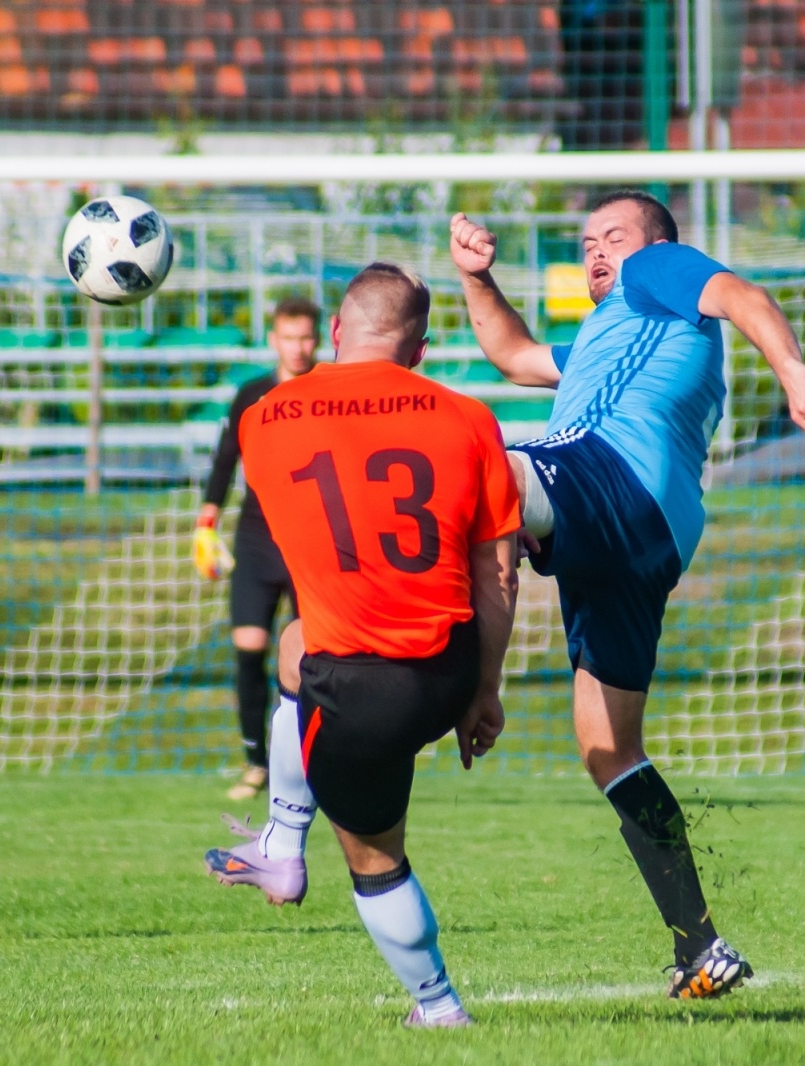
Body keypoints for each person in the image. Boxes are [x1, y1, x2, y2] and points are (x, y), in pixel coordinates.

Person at [448, 192, 805, 999]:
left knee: (477, 466)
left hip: (613, 479)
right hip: (644, 533)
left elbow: (743, 296)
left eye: (612, 237)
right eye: (587, 241)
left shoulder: (656, 274)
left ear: (656, 244)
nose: (596, 251)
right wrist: (476, 279)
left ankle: (418, 681)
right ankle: (701, 945)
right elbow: (514, 357)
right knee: (607, 748)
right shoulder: (613, 331)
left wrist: (791, 368)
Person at [203, 263, 520, 1028]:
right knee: (292, 643)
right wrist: (484, 690)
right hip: (445, 668)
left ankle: (438, 1009)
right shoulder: (470, 418)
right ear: (420, 350)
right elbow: (499, 572)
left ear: (336, 332)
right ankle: (280, 839)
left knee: (375, 858)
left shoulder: (264, 418)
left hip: (357, 685)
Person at [193, 296, 322, 801]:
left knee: (314, 659)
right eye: (289, 337)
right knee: (249, 648)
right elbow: (226, 459)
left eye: (306, 337)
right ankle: (256, 763)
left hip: (312, 542)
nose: (298, 347)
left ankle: (313, 762)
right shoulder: (251, 395)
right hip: (256, 540)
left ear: (319, 338)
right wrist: (205, 524)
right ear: (273, 340)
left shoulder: (329, 391)